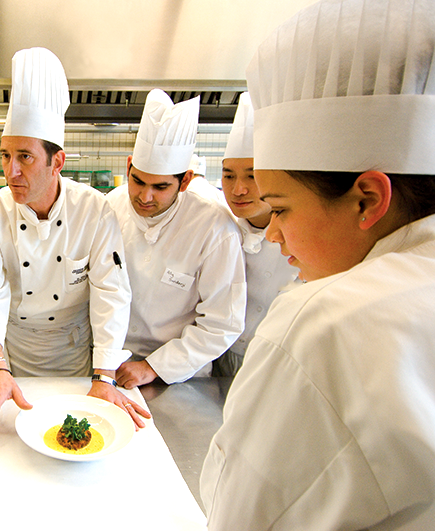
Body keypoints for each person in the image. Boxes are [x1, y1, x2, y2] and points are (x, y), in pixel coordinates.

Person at [200, 0, 435, 528]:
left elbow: (239, 516)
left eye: (280, 207)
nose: (275, 233)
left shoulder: (323, 323)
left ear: (368, 198)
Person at [0, 47, 149, 437]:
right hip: (15, 356)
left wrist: (104, 376)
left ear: (57, 161)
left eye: (25, 157)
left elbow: (111, 292)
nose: (11, 171)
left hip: (75, 355)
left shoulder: (94, 211)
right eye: (6, 155)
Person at [106, 89, 246, 388]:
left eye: (160, 187)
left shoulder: (214, 227)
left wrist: (153, 367)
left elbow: (222, 322)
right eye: (138, 181)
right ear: (129, 166)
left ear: (184, 181)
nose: (144, 196)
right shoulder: (110, 208)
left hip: (180, 374)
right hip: (110, 363)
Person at [214, 92, 299, 375]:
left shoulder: (301, 236)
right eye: (228, 176)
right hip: (219, 358)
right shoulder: (216, 227)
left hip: (279, 364)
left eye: (252, 176)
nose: (238, 189)